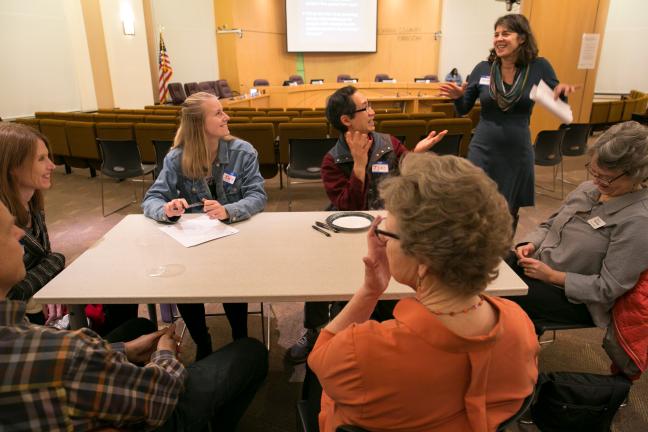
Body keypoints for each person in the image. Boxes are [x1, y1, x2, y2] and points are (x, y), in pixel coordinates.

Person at [308, 153, 538, 431]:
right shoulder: (520, 324)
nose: (380, 239)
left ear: (424, 262)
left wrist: (370, 291)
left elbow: (319, 358)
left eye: (387, 233)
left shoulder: (361, 351)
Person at [0, 201, 268, 431]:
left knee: (139, 325)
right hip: (157, 412)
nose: (20, 233)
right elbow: (159, 396)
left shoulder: (32, 341)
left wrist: (122, 350)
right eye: (7, 229)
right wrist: (165, 355)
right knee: (251, 351)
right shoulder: (61, 350)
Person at [287, 85, 447, 363]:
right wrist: (359, 166)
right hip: (347, 226)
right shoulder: (332, 160)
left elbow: (404, 174)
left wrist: (415, 155)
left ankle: (392, 320)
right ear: (346, 120)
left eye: (370, 105)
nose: (372, 112)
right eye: (366, 108)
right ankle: (313, 330)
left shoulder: (388, 143)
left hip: (387, 224)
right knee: (319, 267)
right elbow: (347, 207)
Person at [506, 121, 648, 378]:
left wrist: (552, 277)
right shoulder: (588, 190)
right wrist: (531, 244)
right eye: (593, 172)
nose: (596, 181)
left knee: (503, 298)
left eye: (606, 177)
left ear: (637, 174)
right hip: (539, 268)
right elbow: (548, 224)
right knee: (487, 266)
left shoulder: (639, 220)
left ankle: (508, 370)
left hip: (576, 298)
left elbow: (608, 288)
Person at [142, 91, 267, 361]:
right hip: (193, 243)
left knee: (233, 280)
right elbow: (151, 199)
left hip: (234, 239)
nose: (227, 117)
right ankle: (202, 340)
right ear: (198, 124)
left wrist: (229, 210)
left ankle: (240, 340)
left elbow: (258, 196)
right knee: (186, 284)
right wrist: (167, 209)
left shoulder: (242, 152)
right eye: (218, 113)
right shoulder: (176, 158)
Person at [439, 14, 577, 231]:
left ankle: (502, 254)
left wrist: (560, 94)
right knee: (474, 202)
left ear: (522, 38)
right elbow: (464, 108)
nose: (499, 39)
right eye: (496, 34)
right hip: (483, 146)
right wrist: (457, 96)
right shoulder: (483, 68)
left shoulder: (538, 67)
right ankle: (473, 253)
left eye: (506, 33)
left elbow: (558, 104)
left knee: (507, 209)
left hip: (516, 149)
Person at [0, 123, 137, 334]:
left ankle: (114, 346)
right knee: (138, 328)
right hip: (26, 324)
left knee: (120, 276)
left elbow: (48, 259)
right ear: (13, 167)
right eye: (41, 159)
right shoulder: (4, 222)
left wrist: (53, 264)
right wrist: (56, 264)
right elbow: (13, 292)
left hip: (45, 302)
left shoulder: (33, 204)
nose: (52, 166)